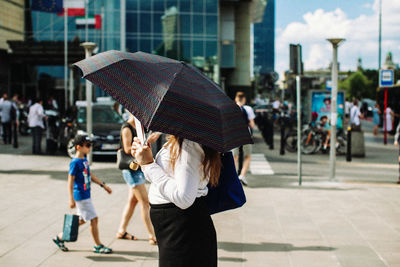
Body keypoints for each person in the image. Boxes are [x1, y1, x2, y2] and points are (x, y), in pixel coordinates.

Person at [131, 134, 220, 267]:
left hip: (182, 227)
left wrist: (148, 165)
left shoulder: (188, 145)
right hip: (178, 226)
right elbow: (168, 177)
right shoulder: (182, 141)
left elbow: (183, 198)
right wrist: (143, 159)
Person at [53, 134, 113, 253]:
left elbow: (89, 176)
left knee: (82, 219)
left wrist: (103, 185)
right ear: (78, 147)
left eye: (90, 145)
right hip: (80, 195)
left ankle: (59, 237)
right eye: (87, 145)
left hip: (86, 194)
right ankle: (98, 245)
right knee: (94, 219)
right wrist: (71, 199)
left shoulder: (84, 160)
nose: (89, 148)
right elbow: (70, 180)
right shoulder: (75, 162)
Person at [116, 112, 157, 245]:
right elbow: (127, 148)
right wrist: (139, 145)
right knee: (145, 202)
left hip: (136, 168)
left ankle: (121, 230)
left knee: (132, 202)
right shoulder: (127, 128)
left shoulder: (138, 127)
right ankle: (152, 235)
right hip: (131, 170)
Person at [233, 92, 255, 186]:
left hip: (234, 135)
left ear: (236, 99)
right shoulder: (248, 109)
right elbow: (252, 124)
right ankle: (242, 175)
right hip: (246, 135)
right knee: (247, 156)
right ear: (244, 99)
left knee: (234, 157)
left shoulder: (231, 108)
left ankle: (233, 177)